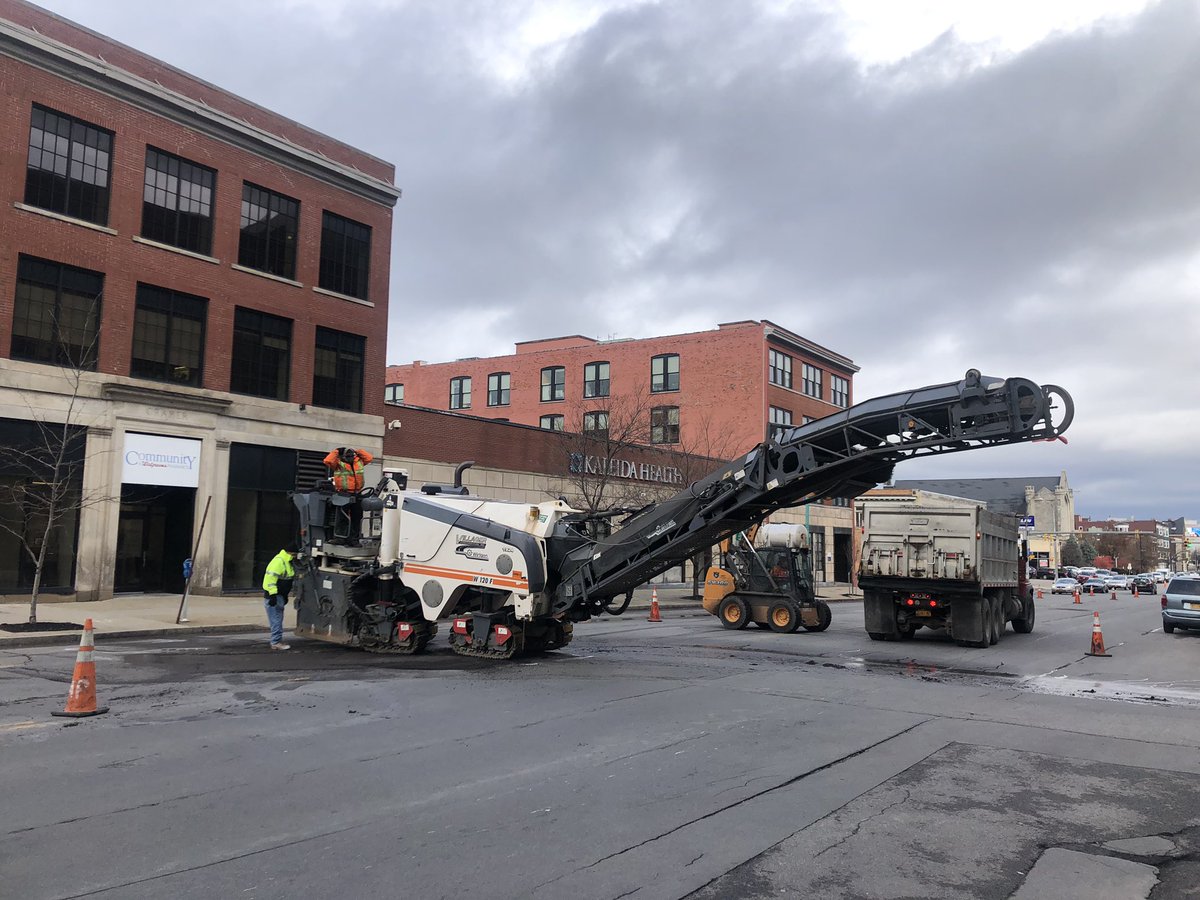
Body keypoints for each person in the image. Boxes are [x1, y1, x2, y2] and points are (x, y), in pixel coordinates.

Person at [323, 447, 374, 541]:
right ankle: (340, 539)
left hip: (357, 494)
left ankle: (354, 539)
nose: (350, 457)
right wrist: (337, 451)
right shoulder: (338, 464)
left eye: (352, 455)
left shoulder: (359, 462)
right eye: (348, 456)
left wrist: (358, 451)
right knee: (342, 518)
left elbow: (369, 458)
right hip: (343, 494)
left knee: (357, 518)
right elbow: (327, 461)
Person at [262, 544, 296, 650]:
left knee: (277, 619)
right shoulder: (279, 561)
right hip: (275, 596)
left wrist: (284, 595)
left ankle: (276, 641)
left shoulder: (287, 561)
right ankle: (276, 642)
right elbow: (270, 580)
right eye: (295, 554)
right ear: (291, 553)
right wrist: (272, 595)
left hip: (279, 595)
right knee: (276, 619)